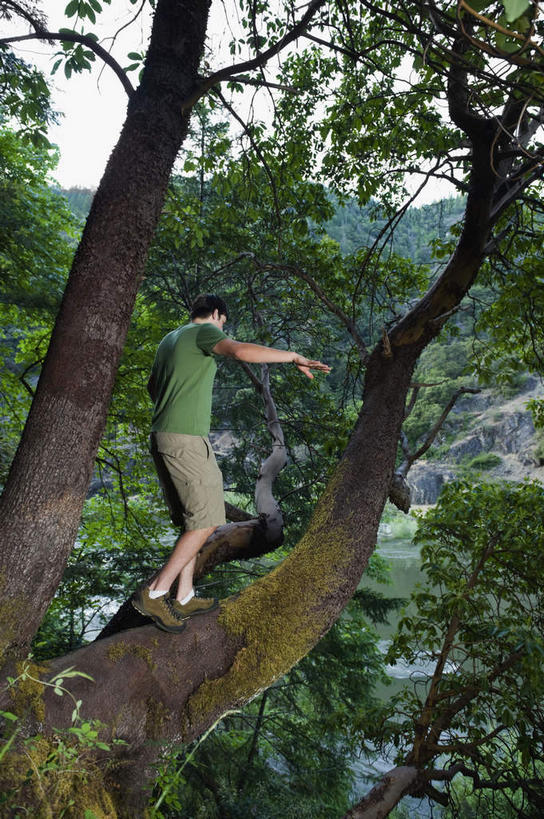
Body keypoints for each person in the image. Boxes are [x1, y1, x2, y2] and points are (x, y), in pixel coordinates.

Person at [132, 293, 331, 632]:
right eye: (223, 323)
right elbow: (240, 351)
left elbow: (154, 387)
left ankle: (184, 596)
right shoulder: (203, 332)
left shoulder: (170, 340)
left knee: (193, 518)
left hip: (163, 435)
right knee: (206, 522)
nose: (222, 329)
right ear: (216, 314)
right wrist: (295, 356)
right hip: (185, 439)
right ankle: (155, 593)